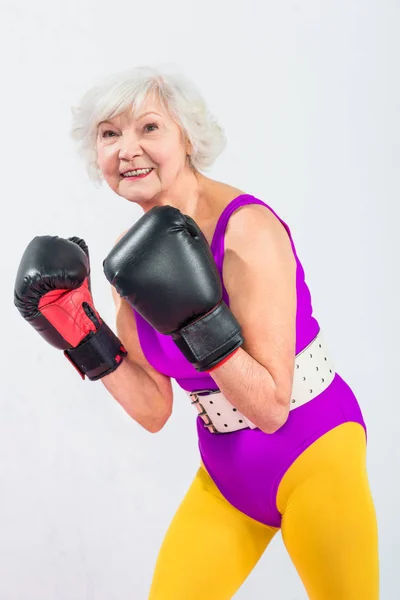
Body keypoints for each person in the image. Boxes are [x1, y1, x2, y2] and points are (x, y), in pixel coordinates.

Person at [14, 65, 379, 599]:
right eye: (110, 134)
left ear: (187, 137)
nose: (127, 149)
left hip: (314, 451)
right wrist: (81, 333)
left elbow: (272, 408)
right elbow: (153, 409)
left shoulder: (247, 230)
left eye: (149, 128)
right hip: (228, 474)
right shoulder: (132, 257)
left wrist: (195, 319)